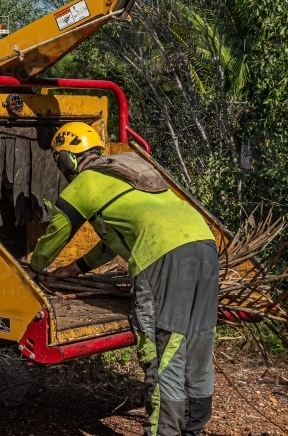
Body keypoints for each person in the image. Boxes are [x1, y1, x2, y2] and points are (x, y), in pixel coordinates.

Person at [30, 122, 218, 436]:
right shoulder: (121, 172)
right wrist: (74, 269)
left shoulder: (84, 183)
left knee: (164, 348)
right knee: (198, 339)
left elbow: (55, 235)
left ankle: (164, 432)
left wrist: (35, 266)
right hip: (202, 243)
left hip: (161, 255)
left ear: (66, 159)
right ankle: (193, 428)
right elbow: (110, 239)